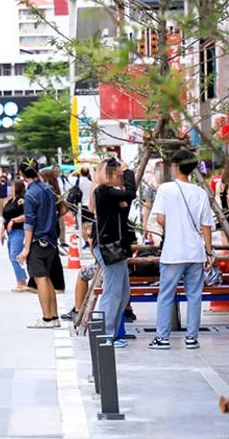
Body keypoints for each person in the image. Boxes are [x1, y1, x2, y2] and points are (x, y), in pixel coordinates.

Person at [149, 149, 216, 350]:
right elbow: (206, 225)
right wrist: (209, 251)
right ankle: (191, 338)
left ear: (176, 166)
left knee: (166, 294)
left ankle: (162, 338)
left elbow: (160, 218)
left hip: (173, 253)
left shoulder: (165, 189)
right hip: (195, 253)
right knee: (194, 295)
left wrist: (174, 225)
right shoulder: (200, 193)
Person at [89, 159, 136, 346]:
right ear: (111, 175)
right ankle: (107, 334)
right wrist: (129, 172)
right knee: (113, 291)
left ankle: (113, 334)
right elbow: (131, 193)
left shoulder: (110, 193)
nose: (121, 180)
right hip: (109, 246)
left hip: (115, 246)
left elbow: (127, 199)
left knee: (123, 292)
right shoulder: (103, 191)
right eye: (119, 176)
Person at [16, 162, 62, 328]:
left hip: (37, 240)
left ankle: (47, 318)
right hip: (51, 239)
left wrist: (26, 248)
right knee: (47, 278)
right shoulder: (49, 189)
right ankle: (54, 316)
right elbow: (60, 210)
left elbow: (29, 222)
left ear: (22, 174)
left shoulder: (30, 195)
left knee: (40, 278)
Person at [1, 181, 29, 292]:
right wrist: (2, 231)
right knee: (12, 256)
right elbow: (5, 217)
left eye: (12, 187)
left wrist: (14, 220)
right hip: (10, 233)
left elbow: (27, 215)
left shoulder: (21, 201)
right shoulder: (9, 201)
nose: (10, 189)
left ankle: (21, 281)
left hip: (18, 230)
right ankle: (21, 279)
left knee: (15, 256)